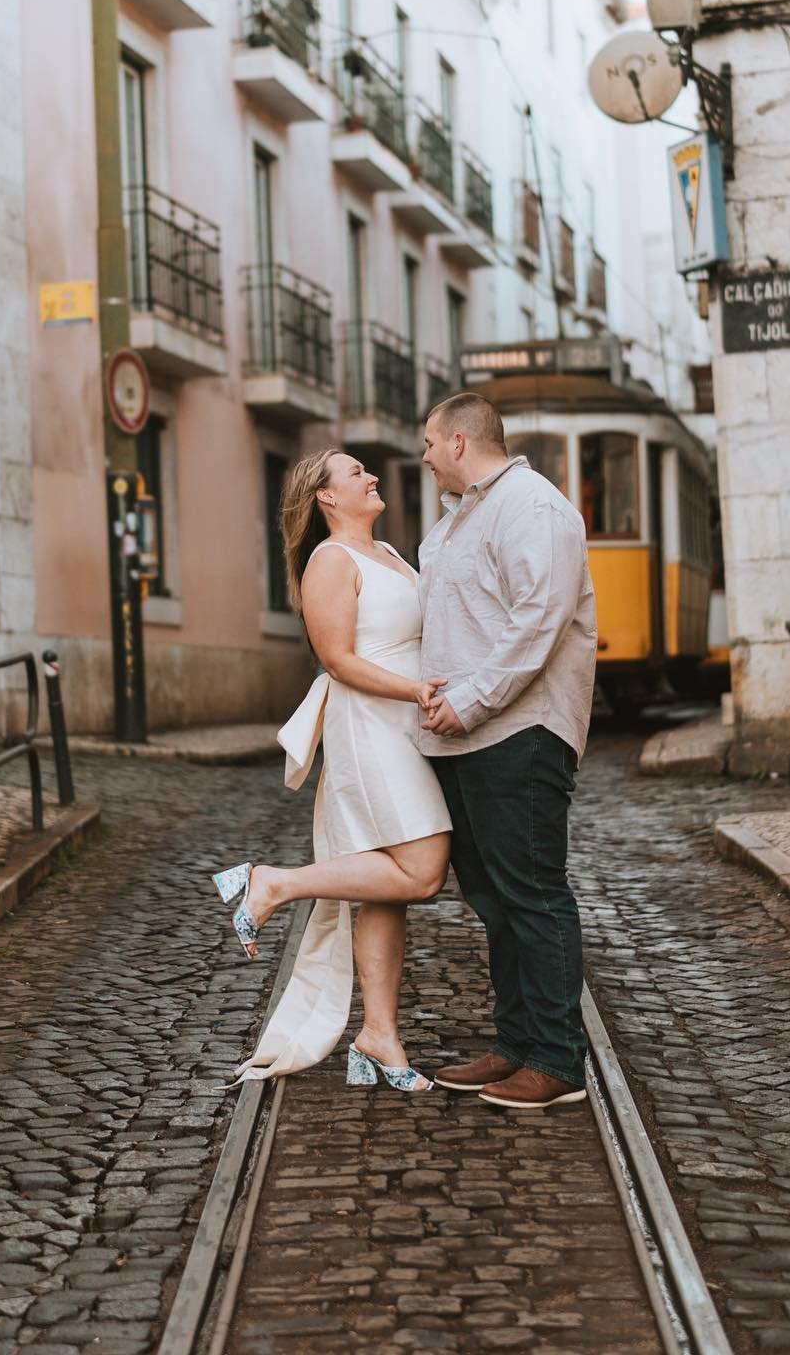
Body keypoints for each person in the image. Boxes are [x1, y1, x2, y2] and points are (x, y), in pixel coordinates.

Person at [211, 448, 452, 1093]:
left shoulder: (394, 555)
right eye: (355, 473)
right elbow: (338, 659)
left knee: (385, 885)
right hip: (373, 729)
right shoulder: (329, 560)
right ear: (325, 496)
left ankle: (378, 1034)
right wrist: (418, 693)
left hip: (409, 726)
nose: (372, 477)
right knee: (423, 870)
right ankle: (276, 882)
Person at [417, 393, 598, 1110]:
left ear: (460, 442)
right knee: (493, 899)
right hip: (462, 739)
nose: (424, 454)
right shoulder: (454, 521)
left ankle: (556, 1060)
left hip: (519, 734)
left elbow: (540, 618)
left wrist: (471, 699)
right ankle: (517, 1043)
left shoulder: (532, 506)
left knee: (533, 894)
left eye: (430, 441)